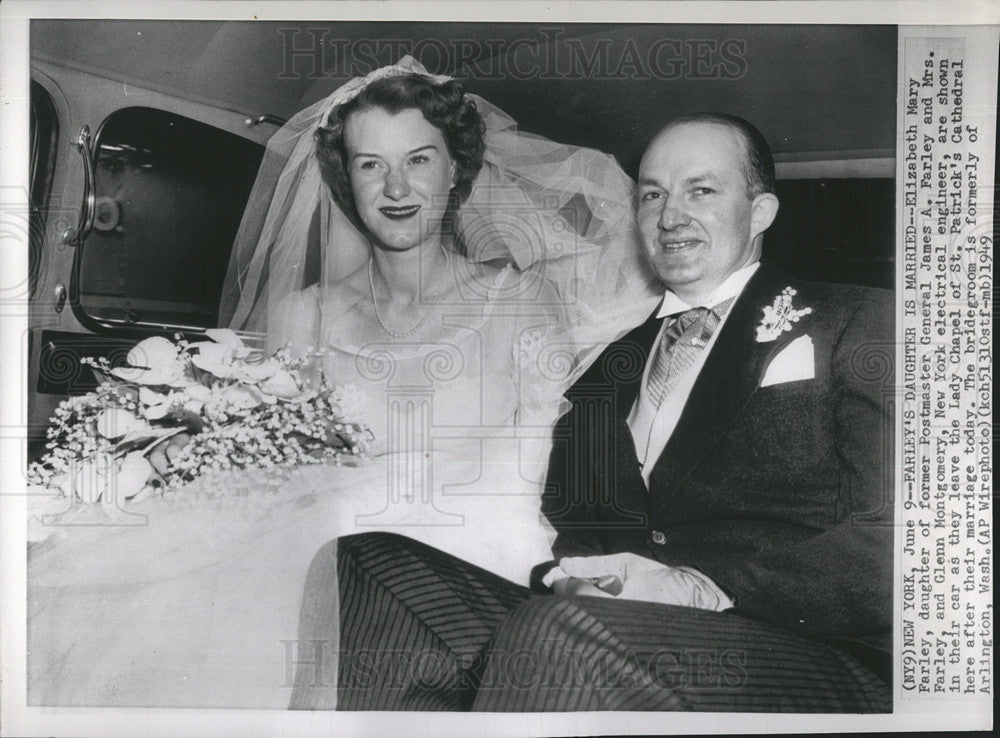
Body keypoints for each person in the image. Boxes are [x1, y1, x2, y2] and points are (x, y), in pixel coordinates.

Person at [26, 58, 657, 709]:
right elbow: (280, 461)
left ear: (456, 168)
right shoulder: (307, 313)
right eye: (369, 165)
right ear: (346, 182)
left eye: (418, 159)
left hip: (469, 559)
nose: (395, 186)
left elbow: (521, 492)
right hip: (305, 545)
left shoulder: (523, 301)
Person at [322, 113, 894, 712]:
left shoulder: (857, 322)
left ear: (760, 213)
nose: (670, 216)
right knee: (376, 566)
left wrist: (703, 589)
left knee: (558, 633)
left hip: (807, 644)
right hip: (626, 631)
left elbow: (902, 539)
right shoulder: (605, 363)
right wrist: (568, 577)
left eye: (701, 190)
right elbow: (572, 520)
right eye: (652, 195)